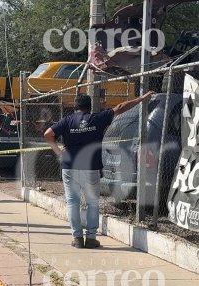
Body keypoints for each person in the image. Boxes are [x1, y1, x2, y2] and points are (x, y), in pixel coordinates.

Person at [44, 91, 155, 249]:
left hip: (70, 167)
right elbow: (121, 107)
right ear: (89, 106)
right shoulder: (97, 118)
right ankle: (91, 238)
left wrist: (59, 152)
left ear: (75, 107)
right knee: (92, 203)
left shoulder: (66, 121)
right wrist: (141, 99)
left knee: (72, 202)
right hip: (91, 167)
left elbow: (48, 134)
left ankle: (77, 238)